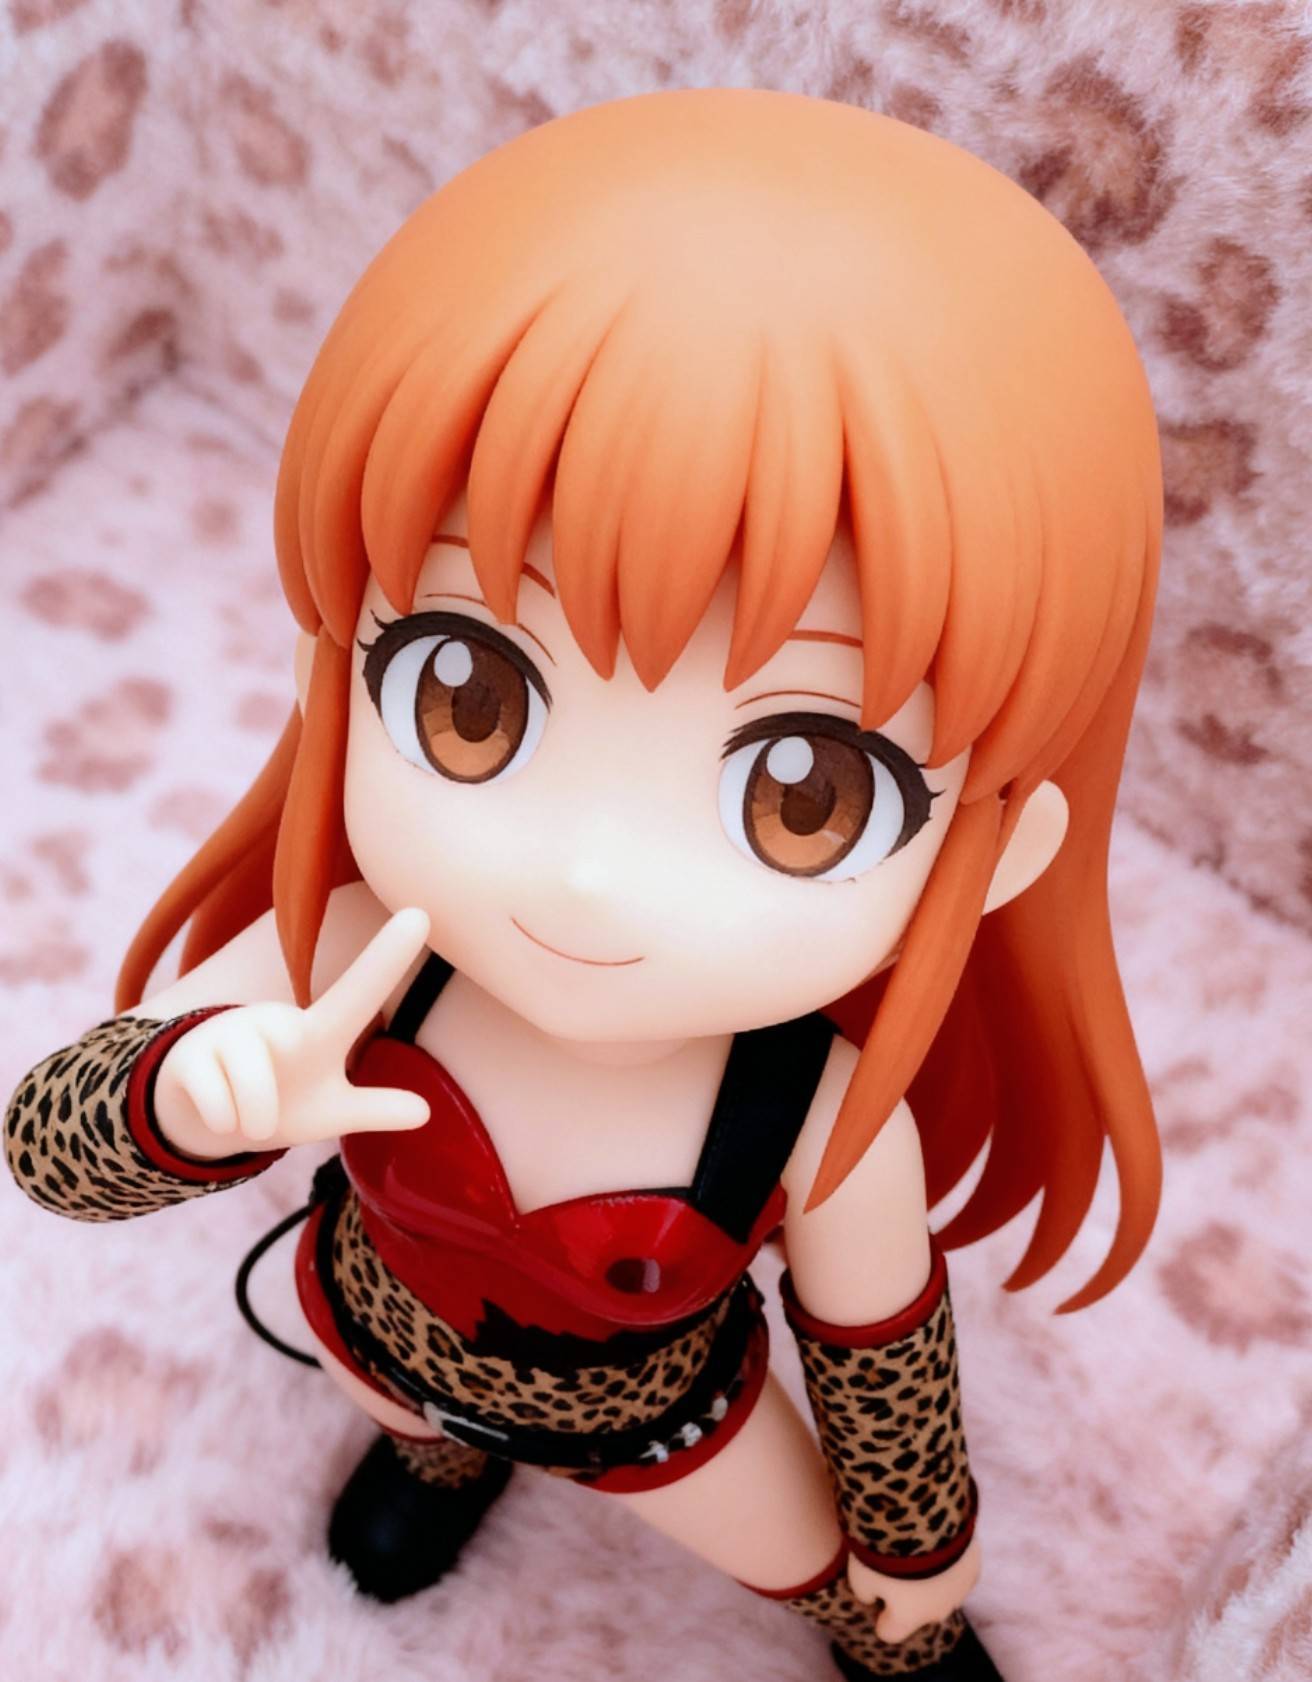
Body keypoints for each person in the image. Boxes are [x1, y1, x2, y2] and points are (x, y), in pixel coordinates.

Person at [4, 87, 1163, 1681]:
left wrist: (914, 1543)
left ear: (1002, 842)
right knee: (407, 1420)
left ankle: (888, 1644)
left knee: (826, 1568)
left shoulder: (820, 1117)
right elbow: (48, 1151)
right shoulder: (358, 946)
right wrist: (188, 1100)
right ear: (337, 653)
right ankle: (435, 1467)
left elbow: (880, 1357)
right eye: (471, 696)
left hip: (667, 1428)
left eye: (803, 793)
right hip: (377, 1332)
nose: (592, 871)